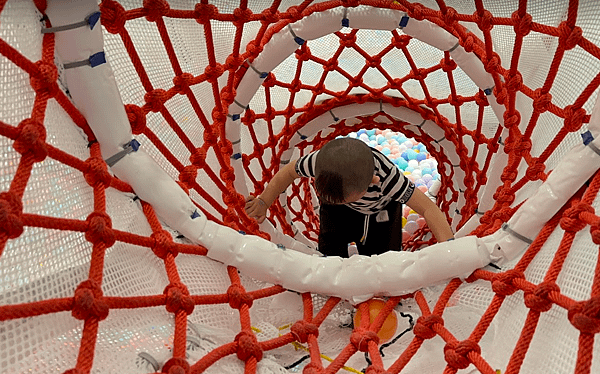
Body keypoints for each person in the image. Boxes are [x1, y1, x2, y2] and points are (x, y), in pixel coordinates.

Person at [245, 137, 454, 257]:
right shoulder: (320, 162)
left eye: (344, 198)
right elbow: (288, 172)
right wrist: (264, 201)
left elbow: (428, 208)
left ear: (371, 182)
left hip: (379, 211)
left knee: (382, 258)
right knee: (329, 250)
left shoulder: (387, 178)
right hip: (334, 210)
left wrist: (450, 250)